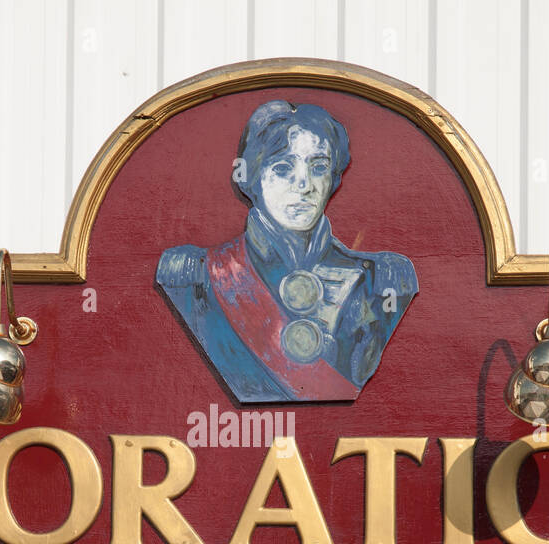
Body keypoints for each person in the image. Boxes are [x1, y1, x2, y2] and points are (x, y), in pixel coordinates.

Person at [157, 100, 418, 403]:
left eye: (319, 167)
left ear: (333, 179)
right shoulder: (194, 276)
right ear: (253, 177)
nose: (304, 185)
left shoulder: (382, 280)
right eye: (283, 168)